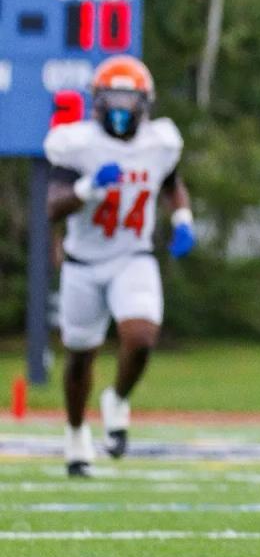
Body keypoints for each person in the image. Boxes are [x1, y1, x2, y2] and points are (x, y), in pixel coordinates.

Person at [42, 55, 195, 478]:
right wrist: (87, 188)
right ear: (97, 101)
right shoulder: (77, 144)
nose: (121, 109)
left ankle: (118, 399)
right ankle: (76, 434)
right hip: (82, 262)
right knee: (79, 358)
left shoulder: (160, 142)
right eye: (113, 98)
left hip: (132, 255)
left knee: (141, 336)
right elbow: (52, 207)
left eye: (129, 99)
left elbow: (171, 182)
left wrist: (183, 218)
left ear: (145, 103)